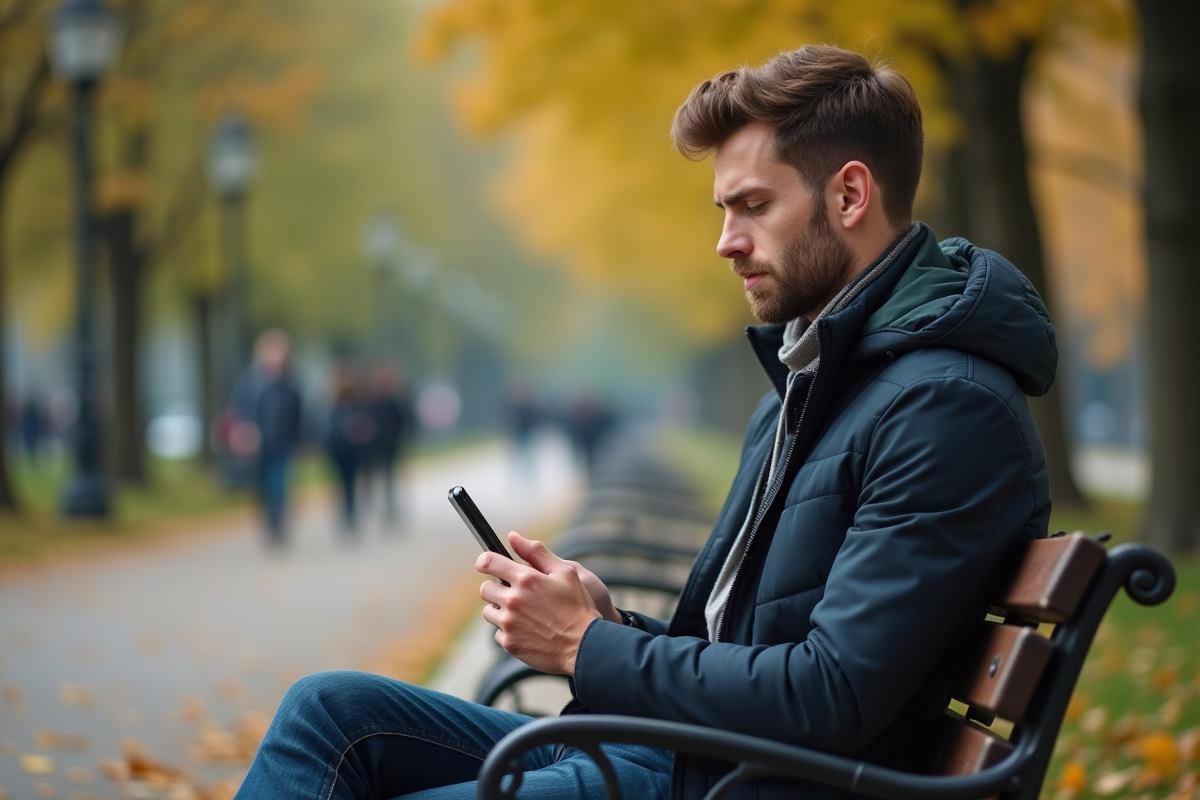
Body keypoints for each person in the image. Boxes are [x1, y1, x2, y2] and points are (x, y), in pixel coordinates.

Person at [235, 45, 1055, 800]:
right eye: (722, 209)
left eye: (752, 206)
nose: (726, 242)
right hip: (696, 755)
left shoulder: (945, 408)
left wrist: (584, 649)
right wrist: (608, 622)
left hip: (737, 782)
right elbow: (758, 653)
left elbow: (829, 696)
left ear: (848, 194)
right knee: (327, 712)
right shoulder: (814, 387)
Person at [249, 331, 304, 545]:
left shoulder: (291, 383)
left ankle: (277, 525)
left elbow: (298, 415)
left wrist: (302, 441)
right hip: (257, 444)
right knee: (261, 486)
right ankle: (267, 521)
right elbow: (241, 410)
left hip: (284, 443)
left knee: (279, 484)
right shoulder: (251, 381)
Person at [362, 361, 416, 524]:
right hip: (375, 445)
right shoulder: (370, 401)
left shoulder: (394, 400)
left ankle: (389, 509)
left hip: (390, 445)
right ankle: (375, 506)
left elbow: (403, 420)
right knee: (374, 478)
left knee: (389, 479)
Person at [324, 364, 376, 532]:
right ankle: (346, 512)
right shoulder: (332, 401)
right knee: (343, 482)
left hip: (353, 449)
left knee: (350, 482)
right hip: (338, 448)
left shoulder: (359, 401)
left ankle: (350, 513)